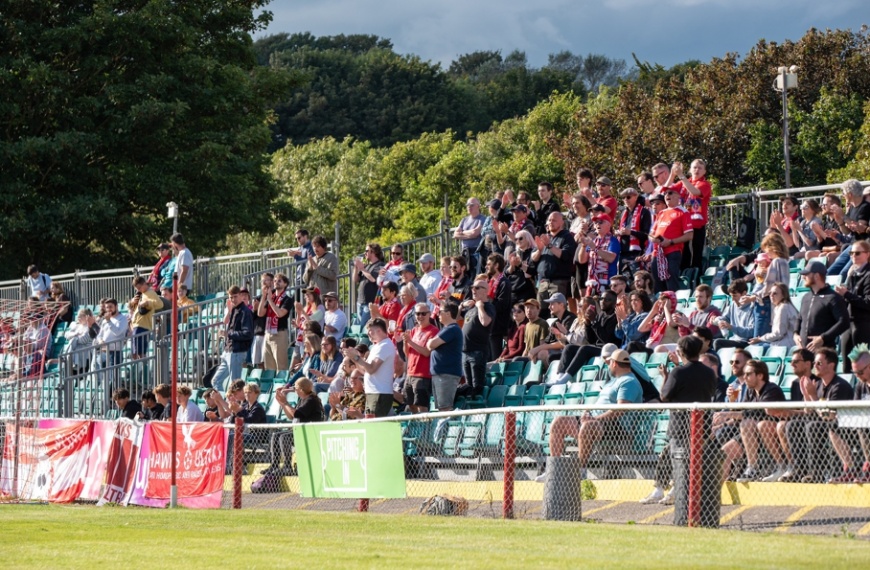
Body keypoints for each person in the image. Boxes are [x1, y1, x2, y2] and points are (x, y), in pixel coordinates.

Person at [538, 349, 642, 482]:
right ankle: (555, 470)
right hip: (597, 421)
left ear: (614, 364)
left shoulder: (629, 382)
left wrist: (594, 418)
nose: (607, 365)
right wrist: (587, 413)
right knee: (559, 422)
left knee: (587, 426)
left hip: (618, 428)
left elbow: (620, 410)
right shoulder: (613, 381)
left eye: (609, 363)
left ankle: (580, 472)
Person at [660, 336, 719, 525]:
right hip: (702, 426)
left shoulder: (678, 372)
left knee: (681, 471)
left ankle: (684, 515)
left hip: (680, 426)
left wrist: (666, 378)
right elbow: (711, 393)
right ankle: (698, 514)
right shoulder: (709, 373)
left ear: (681, 352)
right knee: (698, 471)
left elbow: (664, 396)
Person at [782, 348, 854, 483]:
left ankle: (817, 473)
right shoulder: (819, 384)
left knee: (812, 427)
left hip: (841, 426)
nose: (815, 366)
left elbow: (828, 416)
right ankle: (800, 470)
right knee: (793, 425)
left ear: (831, 365)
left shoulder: (839, 386)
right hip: (820, 422)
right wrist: (806, 396)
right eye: (814, 363)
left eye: (819, 363)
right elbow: (809, 411)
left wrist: (813, 396)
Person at [718, 360, 791, 483]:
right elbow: (744, 412)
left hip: (770, 432)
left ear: (760, 375)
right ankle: (716, 493)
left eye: (748, 374)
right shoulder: (750, 391)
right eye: (744, 374)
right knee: (724, 452)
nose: (744, 377)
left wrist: (729, 414)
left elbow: (759, 413)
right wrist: (731, 402)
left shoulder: (772, 389)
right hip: (751, 434)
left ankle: (755, 467)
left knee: (752, 423)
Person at [264, 377, 325, 476]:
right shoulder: (302, 399)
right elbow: (291, 416)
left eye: (295, 388)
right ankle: (274, 465)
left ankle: (287, 466)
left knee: (284, 437)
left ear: (301, 389)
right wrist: (282, 404)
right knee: (276, 435)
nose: (294, 390)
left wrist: (286, 402)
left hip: (309, 432)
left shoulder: (311, 400)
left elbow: (296, 414)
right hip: (299, 430)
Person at [343, 318, 397, 418]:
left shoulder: (385, 345)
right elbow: (365, 371)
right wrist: (353, 358)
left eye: (370, 332)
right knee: (371, 424)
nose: (368, 335)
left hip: (379, 394)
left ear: (379, 331)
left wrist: (356, 357)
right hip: (373, 393)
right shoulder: (377, 346)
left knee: (374, 425)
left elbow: (371, 369)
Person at [645, 188, 693, 292]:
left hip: (673, 251)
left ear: (678, 196)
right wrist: (654, 239)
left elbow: (689, 235)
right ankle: (661, 306)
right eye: (665, 193)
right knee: (657, 283)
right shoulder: (661, 213)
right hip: (657, 253)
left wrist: (670, 241)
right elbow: (651, 234)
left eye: (670, 193)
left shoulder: (683, 212)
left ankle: (673, 305)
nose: (667, 195)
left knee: (671, 282)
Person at [794, 261, 849, 350]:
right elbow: (800, 318)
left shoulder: (833, 297)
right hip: (805, 352)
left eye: (807, 274)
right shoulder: (806, 297)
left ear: (817, 276)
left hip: (824, 353)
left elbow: (844, 322)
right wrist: (795, 334)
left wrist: (823, 338)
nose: (803, 277)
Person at [210, 285, 254, 393]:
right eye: (231, 297)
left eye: (235, 296)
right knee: (216, 381)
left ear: (240, 296)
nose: (233, 299)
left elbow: (247, 334)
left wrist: (228, 334)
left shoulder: (245, 312)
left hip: (237, 352)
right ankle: (226, 405)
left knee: (235, 385)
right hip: (229, 351)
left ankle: (236, 407)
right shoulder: (234, 310)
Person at [532, 212, 577, 316]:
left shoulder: (566, 237)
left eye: (554, 220)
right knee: (541, 313)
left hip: (558, 282)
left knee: (556, 313)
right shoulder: (545, 237)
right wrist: (540, 250)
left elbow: (565, 255)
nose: (551, 222)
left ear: (561, 222)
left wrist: (549, 245)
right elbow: (533, 259)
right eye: (549, 220)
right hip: (543, 282)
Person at [835, 240, 870, 368]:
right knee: (846, 366)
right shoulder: (853, 273)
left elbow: (867, 302)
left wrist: (847, 294)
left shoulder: (868, 274)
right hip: (848, 323)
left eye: (857, 253)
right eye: (851, 253)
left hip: (862, 325)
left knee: (861, 366)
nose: (853, 256)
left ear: (867, 254)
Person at [672, 159, 712, 270]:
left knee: (696, 254)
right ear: (690, 169)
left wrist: (680, 175)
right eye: (694, 167)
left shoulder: (705, 184)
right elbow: (667, 190)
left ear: (704, 171)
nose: (697, 170)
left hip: (697, 225)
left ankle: (696, 279)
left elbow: (695, 192)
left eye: (700, 168)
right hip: (683, 224)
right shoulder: (684, 182)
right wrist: (672, 174)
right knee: (684, 253)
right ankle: (685, 275)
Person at [401, 303, 440, 413]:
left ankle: (425, 429)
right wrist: (405, 342)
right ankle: (416, 429)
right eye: (418, 314)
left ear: (429, 314)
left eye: (423, 313)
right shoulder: (414, 330)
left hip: (423, 374)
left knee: (422, 406)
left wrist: (410, 342)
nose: (420, 316)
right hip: (410, 373)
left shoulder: (433, 331)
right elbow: (407, 353)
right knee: (410, 405)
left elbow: (427, 352)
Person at [461, 277, 495, 397]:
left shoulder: (487, 307)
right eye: (472, 288)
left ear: (485, 291)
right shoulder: (471, 308)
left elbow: (485, 322)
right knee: (468, 385)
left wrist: (480, 306)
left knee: (476, 387)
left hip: (477, 351)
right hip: (465, 352)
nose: (473, 290)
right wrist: (461, 306)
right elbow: (454, 319)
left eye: (477, 288)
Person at [427, 301, 464, 411]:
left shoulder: (451, 329)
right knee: (441, 408)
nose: (438, 315)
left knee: (445, 408)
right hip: (441, 374)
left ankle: (449, 428)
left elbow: (431, 344)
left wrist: (430, 341)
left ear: (448, 313)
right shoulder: (446, 329)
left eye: (440, 312)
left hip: (446, 374)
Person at [259, 272, 293, 371]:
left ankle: (281, 385)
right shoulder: (271, 297)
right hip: (268, 334)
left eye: (279, 281)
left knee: (281, 366)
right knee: (269, 367)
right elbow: (260, 313)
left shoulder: (287, 299)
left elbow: (280, 313)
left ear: (285, 284)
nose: (276, 282)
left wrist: (270, 301)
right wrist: (264, 296)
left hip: (279, 334)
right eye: (274, 281)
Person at [578, 217, 620, 296]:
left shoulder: (613, 240)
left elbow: (611, 258)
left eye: (601, 222)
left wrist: (595, 248)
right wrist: (583, 246)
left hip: (607, 283)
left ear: (608, 224)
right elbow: (582, 260)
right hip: (592, 283)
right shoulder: (594, 241)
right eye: (595, 223)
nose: (597, 224)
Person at [749, 282, 799, 349]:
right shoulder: (780, 307)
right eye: (770, 293)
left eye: (775, 293)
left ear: (783, 295)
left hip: (786, 344)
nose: (771, 296)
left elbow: (778, 333)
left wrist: (760, 339)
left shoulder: (783, 307)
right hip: (782, 343)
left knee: (756, 347)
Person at [712, 279, 755, 351]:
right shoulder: (733, 305)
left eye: (735, 296)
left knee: (717, 342)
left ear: (744, 293)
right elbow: (724, 318)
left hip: (745, 342)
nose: (732, 299)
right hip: (735, 340)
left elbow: (751, 332)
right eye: (731, 296)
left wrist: (731, 327)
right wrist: (717, 320)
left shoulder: (752, 307)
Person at [485, 253, 512, 359]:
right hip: (489, 326)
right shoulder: (489, 282)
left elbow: (502, 305)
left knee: (495, 357)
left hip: (498, 326)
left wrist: (488, 300)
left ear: (496, 265)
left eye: (489, 264)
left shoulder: (504, 282)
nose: (486, 266)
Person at [615, 188, 652, 265]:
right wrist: (618, 232)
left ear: (635, 197)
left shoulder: (644, 212)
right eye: (623, 198)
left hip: (637, 253)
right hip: (623, 252)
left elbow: (646, 235)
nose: (625, 199)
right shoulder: (623, 213)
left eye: (628, 197)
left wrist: (630, 232)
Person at [128, 276, 161, 360]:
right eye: (137, 289)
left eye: (139, 287)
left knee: (140, 352)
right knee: (135, 352)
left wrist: (147, 303)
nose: (138, 290)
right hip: (137, 325)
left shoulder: (150, 293)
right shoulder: (142, 294)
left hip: (143, 325)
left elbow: (159, 304)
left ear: (144, 284)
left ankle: (144, 370)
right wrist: (132, 302)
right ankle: (138, 370)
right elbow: (134, 308)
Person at [353, 243, 384, 326]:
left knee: (364, 326)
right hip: (360, 301)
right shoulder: (366, 266)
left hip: (370, 302)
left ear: (373, 252)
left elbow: (373, 279)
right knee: (359, 326)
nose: (364, 253)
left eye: (367, 251)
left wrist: (362, 268)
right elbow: (355, 280)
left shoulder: (380, 265)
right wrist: (356, 268)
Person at [454, 197, 486, 276]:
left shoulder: (482, 219)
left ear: (478, 206)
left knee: (474, 276)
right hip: (465, 252)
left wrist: (462, 233)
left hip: (476, 253)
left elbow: (475, 233)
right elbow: (455, 235)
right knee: (464, 275)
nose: (469, 207)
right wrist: (469, 233)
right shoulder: (464, 220)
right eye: (467, 205)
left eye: (471, 205)